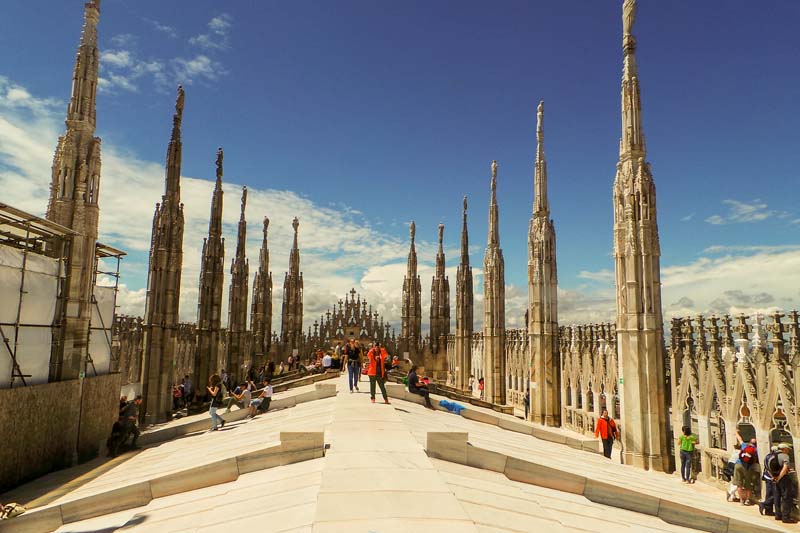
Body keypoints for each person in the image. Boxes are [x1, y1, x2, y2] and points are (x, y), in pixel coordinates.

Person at [774, 442, 797, 523]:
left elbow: (767, 466)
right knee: (786, 497)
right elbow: (785, 468)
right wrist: (780, 477)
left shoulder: (772, 455)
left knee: (777, 496)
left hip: (774, 478)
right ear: (784, 449)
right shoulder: (785, 456)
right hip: (783, 478)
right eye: (787, 449)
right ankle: (786, 517)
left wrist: (774, 478)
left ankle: (778, 515)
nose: (788, 451)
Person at [733, 440, 759, 505]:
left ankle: (741, 501)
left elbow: (740, 439)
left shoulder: (744, 445)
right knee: (748, 484)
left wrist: (736, 432)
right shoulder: (755, 449)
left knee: (739, 484)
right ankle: (747, 500)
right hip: (747, 467)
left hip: (738, 465)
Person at [759, 445, 780, 516]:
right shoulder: (774, 458)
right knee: (775, 494)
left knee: (769, 494)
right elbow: (769, 469)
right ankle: (764, 504)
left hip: (766, 477)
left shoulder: (767, 456)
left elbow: (766, 467)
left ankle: (768, 510)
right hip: (771, 478)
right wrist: (773, 477)